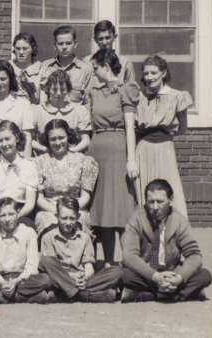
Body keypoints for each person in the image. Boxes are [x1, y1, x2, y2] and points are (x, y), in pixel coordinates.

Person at [120, 179, 212, 303]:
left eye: (160, 202)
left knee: (205, 276)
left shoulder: (180, 221)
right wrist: (156, 276)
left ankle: (143, 294)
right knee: (124, 275)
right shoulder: (136, 219)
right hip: (146, 274)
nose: (155, 207)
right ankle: (182, 293)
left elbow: (195, 256)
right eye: (151, 202)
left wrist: (179, 278)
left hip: (172, 274)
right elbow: (129, 256)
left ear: (171, 199)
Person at [88, 48, 140, 267]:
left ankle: (129, 261)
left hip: (118, 150)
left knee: (120, 206)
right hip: (97, 151)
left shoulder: (126, 89)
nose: (94, 72)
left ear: (106, 67)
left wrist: (131, 159)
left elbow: (129, 125)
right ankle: (108, 262)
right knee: (101, 208)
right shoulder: (94, 92)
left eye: (96, 68)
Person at [134, 54, 191, 218]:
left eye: (154, 73)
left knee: (168, 188)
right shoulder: (139, 97)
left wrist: (166, 137)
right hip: (143, 149)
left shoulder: (177, 96)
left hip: (165, 149)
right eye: (146, 73)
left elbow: (183, 128)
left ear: (163, 73)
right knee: (145, 189)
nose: (149, 77)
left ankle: (171, 232)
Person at [39, 197, 121, 303]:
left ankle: (67, 294)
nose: (68, 223)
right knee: (45, 261)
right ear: (56, 217)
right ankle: (83, 295)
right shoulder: (48, 237)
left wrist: (85, 279)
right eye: (64, 218)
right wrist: (71, 278)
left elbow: (89, 267)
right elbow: (52, 268)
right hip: (60, 279)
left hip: (82, 280)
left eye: (72, 218)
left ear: (78, 217)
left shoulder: (85, 238)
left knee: (117, 272)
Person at [34, 119, 98, 237]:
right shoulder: (39, 162)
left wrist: (68, 211)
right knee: (49, 223)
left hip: (76, 208)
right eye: (53, 139)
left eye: (61, 137)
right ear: (47, 140)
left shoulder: (83, 160)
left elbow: (85, 197)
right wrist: (58, 211)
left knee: (79, 220)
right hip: (49, 210)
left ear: (68, 136)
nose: (57, 142)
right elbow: (39, 198)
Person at [0, 121, 38, 230]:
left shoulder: (29, 166)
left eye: (7, 139)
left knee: (24, 231)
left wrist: (16, 216)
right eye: (0, 141)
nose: (4, 144)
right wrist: (1, 216)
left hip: (21, 212)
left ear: (16, 138)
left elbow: (30, 203)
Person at [32, 70, 92, 154]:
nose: (59, 93)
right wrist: (44, 149)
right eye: (55, 89)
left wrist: (71, 151)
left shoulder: (78, 110)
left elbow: (86, 139)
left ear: (68, 89)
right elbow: (29, 139)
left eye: (63, 89)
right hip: (45, 158)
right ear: (48, 89)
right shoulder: (37, 111)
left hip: (71, 158)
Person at [41, 26, 93, 105]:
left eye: (68, 43)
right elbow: (42, 97)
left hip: (75, 116)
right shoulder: (45, 66)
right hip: (50, 115)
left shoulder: (85, 69)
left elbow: (88, 102)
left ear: (75, 44)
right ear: (55, 45)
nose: (64, 47)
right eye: (60, 44)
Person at [83, 20, 134, 85]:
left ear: (115, 37)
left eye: (107, 38)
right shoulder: (88, 61)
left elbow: (131, 88)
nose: (104, 42)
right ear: (95, 39)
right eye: (100, 39)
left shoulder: (125, 61)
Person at [10, 32, 44, 105]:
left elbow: (44, 100)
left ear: (32, 49)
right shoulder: (7, 67)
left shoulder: (42, 70)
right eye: (18, 48)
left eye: (25, 48)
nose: (21, 52)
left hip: (33, 111)